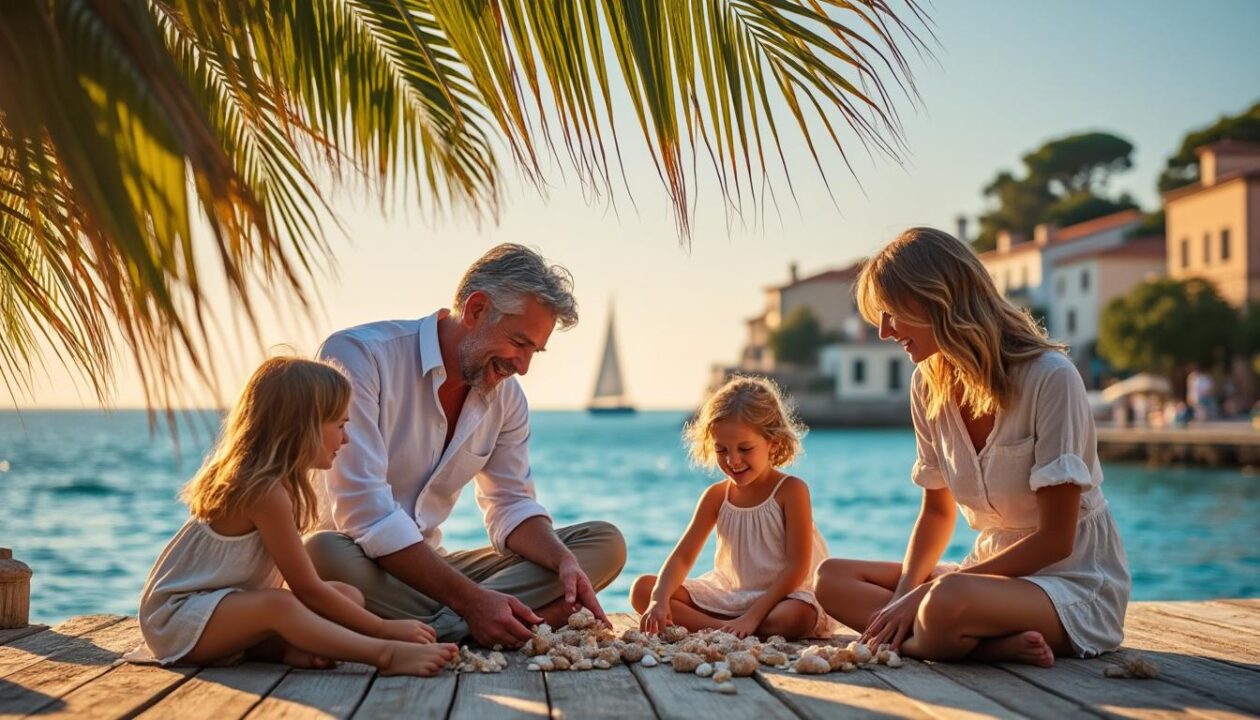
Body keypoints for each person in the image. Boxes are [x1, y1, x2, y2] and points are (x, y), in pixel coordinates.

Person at [814, 227, 1130, 667]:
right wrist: (903, 601)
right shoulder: (927, 384)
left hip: (1071, 581)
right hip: (984, 578)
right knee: (831, 578)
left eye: (889, 313)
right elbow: (937, 512)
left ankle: (950, 636)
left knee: (944, 601)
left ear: (934, 298)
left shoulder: (1050, 378)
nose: (884, 331)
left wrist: (925, 596)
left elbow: (1057, 540)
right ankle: (982, 645)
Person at [306, 244, 626, 648]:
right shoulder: (359, 356)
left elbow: (511, 505)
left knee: (603, 543)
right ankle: (502, 622)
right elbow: (363, 512)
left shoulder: (507, 398)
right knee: (322, 552)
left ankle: (447, 627)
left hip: (430, 573)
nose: (523, 366)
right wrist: (472, 601)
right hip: (357, 564)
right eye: (519, 342)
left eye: (534, 351)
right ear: (475, 311)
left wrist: (562, 562)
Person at [129, 358, 456, 676]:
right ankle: (386, 655)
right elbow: (306, 587)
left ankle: (285, 649)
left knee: (347, 595)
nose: (347, 439)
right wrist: (384, 630)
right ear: (303, 427)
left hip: (226, 608)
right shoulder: (262, 490)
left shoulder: (283, 485)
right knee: (280, 606)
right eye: (340, 425)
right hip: (176, 619)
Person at [630, 376, 836, 640]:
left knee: (793, 618)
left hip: (784, 595)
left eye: (745, 448)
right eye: (721, 450)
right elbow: (682, 557)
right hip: (730, 594)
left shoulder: (791, 490)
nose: (733, 460)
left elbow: (797, 568)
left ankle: (729, 625)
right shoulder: (716, 496)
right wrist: (659, 600)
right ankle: (723, 628)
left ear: (772, 442)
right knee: (643, 589)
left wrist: (753, 615)